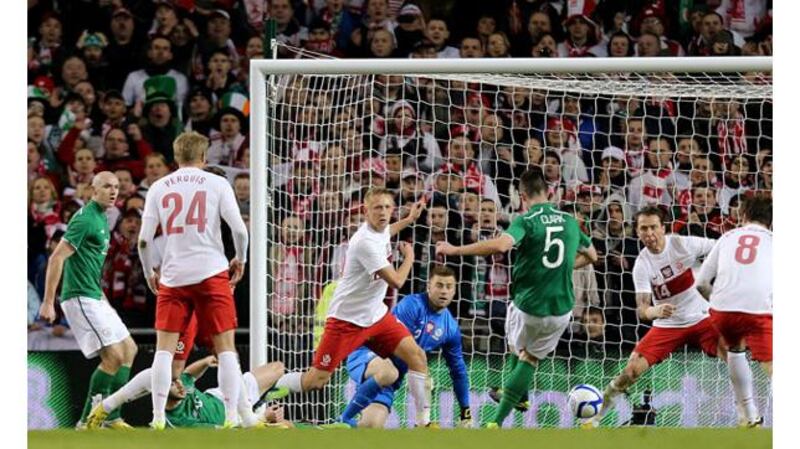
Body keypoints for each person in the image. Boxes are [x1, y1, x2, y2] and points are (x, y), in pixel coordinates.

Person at [436, 169, 598, 428]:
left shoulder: (526, 219)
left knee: (522, 353)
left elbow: (501, 245)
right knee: (528, 356)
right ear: (550, 192)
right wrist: (566, 267)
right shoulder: (569, 221)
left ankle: (495, 422)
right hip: (562, 308)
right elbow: (592, 256)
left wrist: (455, 250)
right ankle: (519, 396)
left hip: (529, 305)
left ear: (522, 196)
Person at [272, 188, 435, 427]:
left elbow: (388, 231)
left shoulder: (380, 230)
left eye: (388, 207)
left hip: (376, 316)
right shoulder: (364, 242)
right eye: (377, 208)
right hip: (347, 320)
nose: (383, 212)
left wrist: (409, 220)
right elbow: (397, 281)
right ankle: (270, 385)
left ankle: (425, 424)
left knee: (417, 357)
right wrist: (409, 255)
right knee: (316, 380)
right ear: (366, 211)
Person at [136, 131, 251, 429]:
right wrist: (241, 257)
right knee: (225, 347)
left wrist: (150, 271)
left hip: (174, 277)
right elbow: (239, 229)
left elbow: (144, 241)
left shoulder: (159, 187)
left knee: (163, 350)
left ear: (175, 158)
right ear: (203, 157)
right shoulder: (217, 183)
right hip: (211, 272)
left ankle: (158, 417)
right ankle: (230, 417)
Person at [587, 206, 722, 427]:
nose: (649, 233)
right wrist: (656, 311)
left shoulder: (683, 244)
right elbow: (642, 310)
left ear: (663, 228)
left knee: (733, 352)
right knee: (631, 371)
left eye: (653, 227)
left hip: (701, 317)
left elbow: (721, 248)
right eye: (643, 229)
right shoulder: (642, 265)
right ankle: (595, 419)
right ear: (637, 232)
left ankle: (748, 413)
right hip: (668, 324)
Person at [39, 171, 138, 429]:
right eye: (106, 186)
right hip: (79, 297)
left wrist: (103, 298)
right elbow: (56, 257)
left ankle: (112, 416)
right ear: (93, 191)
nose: (113, 191)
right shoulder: (84, 219)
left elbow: (89, 264)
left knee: (129, 349)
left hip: (95, 295)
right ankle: (86, 421)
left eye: (116, 187)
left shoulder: (102, 219)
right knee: (113, 356)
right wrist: (48, 302)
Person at [339, 265, 471, 428]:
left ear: (454, 291)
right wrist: (423, 382)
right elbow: (402, 349)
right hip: (368, 354)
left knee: (370, 427)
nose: (444, 291)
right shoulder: (412, 305)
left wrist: (466, 410)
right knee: (391, 371)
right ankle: (343, 419)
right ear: (429, 286)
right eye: (439, 285)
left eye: (449, 287)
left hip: (389, 381)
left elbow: (458, 371)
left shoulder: (450, 328)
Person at [696, 194, 772, 427]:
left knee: (735, 350)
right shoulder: (774, 241)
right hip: (758, 310)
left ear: (745, 216)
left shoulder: (727, 237)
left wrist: (719, 303)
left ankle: (748, 416)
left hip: (722, 309)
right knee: (773, 365)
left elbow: (701, 283)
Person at [89, 355, 291, 429]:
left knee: (278, 368)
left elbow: (187, 375)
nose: (179, 385)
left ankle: (106, 407)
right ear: (161, 392)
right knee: (287, 428)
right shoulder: (180, 423)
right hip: (234, 413)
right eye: (173, 385)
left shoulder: (180, 385)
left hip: (220, 393)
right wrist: (262, 417)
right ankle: (256, 409)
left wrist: (204, 362)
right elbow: (227, 430)